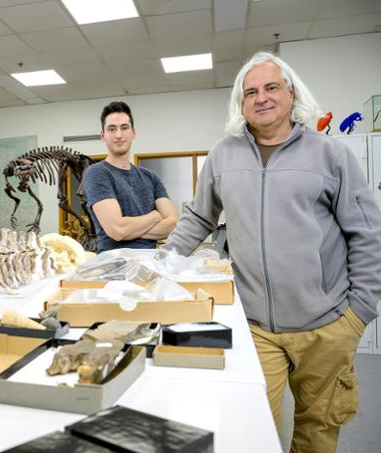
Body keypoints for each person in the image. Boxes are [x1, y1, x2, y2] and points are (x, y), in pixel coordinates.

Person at [163, 52, 381, 452]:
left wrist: (359, 312)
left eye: (270, 87)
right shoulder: (222, 155)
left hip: (327, 324)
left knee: (318, 430)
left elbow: (367, 233)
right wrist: (162, 266)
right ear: (240, 103)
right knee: (250, 430)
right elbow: (198, 217)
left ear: (290, 93)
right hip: (256, 328)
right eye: (250, 92)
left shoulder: (330, 154)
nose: (261, 98)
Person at [82, 101, 177, 253]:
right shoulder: (97, 173)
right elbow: (118, 230)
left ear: (133, 132)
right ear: (103, 135)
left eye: (124, 128)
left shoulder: (150, 177)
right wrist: (154, 216)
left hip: (150, 266)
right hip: (114, 269)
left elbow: (173, 224)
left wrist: (129, 231)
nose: (119, 135)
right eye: (112, 129)